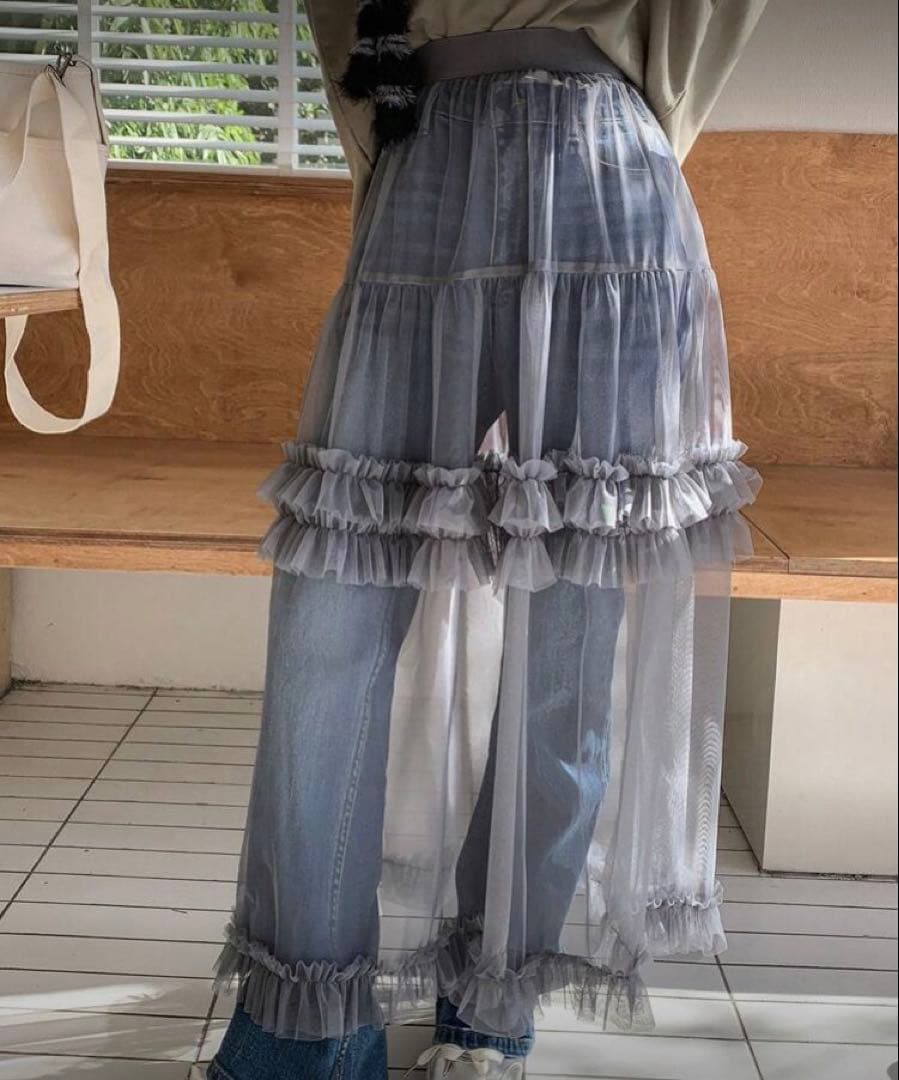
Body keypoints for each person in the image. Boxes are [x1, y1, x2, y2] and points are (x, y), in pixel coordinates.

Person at [209, 3, 766, 1078]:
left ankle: (491, 1000)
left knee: (570, 634)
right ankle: (306, 1026)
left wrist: (624, 115)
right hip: (425, 152)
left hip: (607, 172)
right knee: (331, 612)